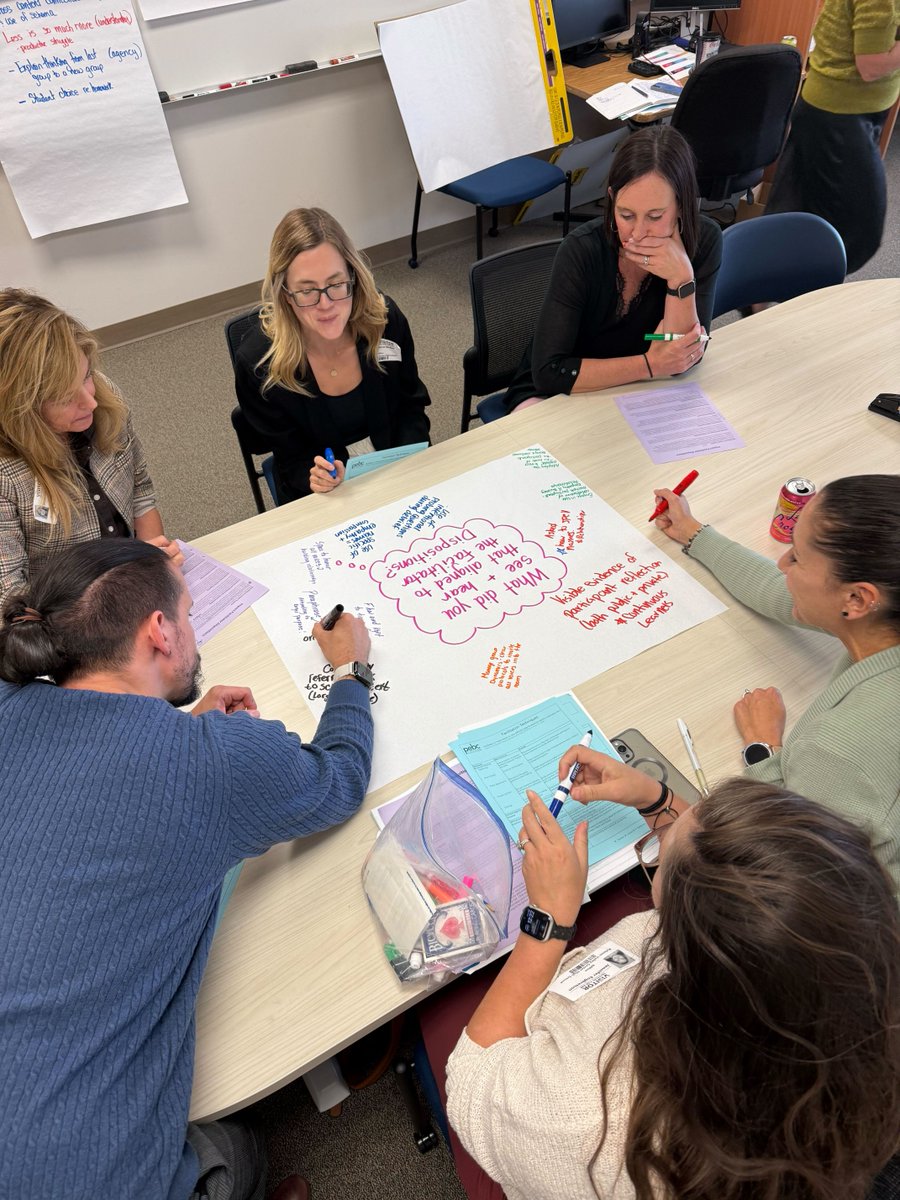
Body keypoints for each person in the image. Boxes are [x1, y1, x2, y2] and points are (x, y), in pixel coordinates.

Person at [0, 538, 374, 1200]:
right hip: (86, 1176)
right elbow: (339, 777)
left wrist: (173, 739)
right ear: (159, 633)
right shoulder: (217, 760)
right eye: (191, 615)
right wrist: (350, 671)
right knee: (235, 1141)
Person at [446, 776, 900, 1199]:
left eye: (660, 865)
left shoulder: (592, 1120)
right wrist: (659, 802)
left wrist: (547, 919)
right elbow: (752, 897)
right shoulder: (854, 987)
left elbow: (471, 1078)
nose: (659, 852)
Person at [650, 472, 900, 884]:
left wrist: (763, 751)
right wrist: (695, 534)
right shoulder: (882, 616)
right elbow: (776, 589)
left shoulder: (840, 750)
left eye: (797, 557)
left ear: (856, 599)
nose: (782, 563)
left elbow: (789, 854)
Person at [501, 125, 722, 413]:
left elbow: (682, 356)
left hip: (639, 387)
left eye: (655, 216)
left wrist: (681, 279)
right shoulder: (581, 250)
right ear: (611, 199)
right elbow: (549, 373)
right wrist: (650, 364)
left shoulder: (704, 241)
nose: (638, 233)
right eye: (626, 215)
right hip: (565, 387)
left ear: (681, 206)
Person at [233, 207, 431, 502]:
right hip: (322, 495)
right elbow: (290, 460)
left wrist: (404, 464)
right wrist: (312, 476)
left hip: (395, 468)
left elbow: (411, 406)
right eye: (307, 291)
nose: (325, 304)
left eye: (336, 284)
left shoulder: (385, 323)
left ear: (353, 276)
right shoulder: (261, 365)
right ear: (285, 293)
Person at [0, 288, 181, 604]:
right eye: (63, 397)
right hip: (66, 618)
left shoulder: (104, 398)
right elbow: (11, 602)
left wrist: (153, 562)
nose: (91, 400)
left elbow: (140, 492)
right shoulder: (6, 476)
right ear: (20, 406)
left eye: (85, 376)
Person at [766, 0, 900, 274]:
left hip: (845, 111)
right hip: (838, 115)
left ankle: (762, 291)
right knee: (862, 229)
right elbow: (871, 66)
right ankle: (798, 289)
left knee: (799, 206)